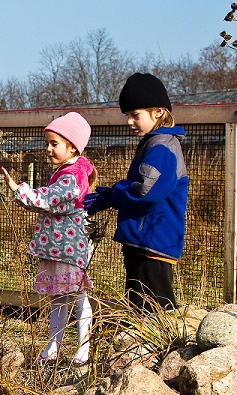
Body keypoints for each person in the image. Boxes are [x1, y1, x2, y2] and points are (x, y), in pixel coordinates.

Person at [84, 72, 188, 312]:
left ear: (158, 112)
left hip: (152, 243)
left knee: (153, 309)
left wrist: (114, 193)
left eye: (135, 115)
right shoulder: (155, 143)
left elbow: (145, 192)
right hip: (144, 242)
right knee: (140, 305)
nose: (129, 121)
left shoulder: (162, 147)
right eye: (127, 115)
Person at [2, 112, 96, 365]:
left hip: (68, 248)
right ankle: (53, 347)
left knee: (76, 296)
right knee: (58, 297)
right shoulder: (66, 171)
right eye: (48, 143)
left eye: (55, 144)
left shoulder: (73, 175)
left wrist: (19, 190)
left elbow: (48, 199)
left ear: (72, 146)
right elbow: (47, 202)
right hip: (58, 248)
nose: (48, 149)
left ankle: (83, 348)